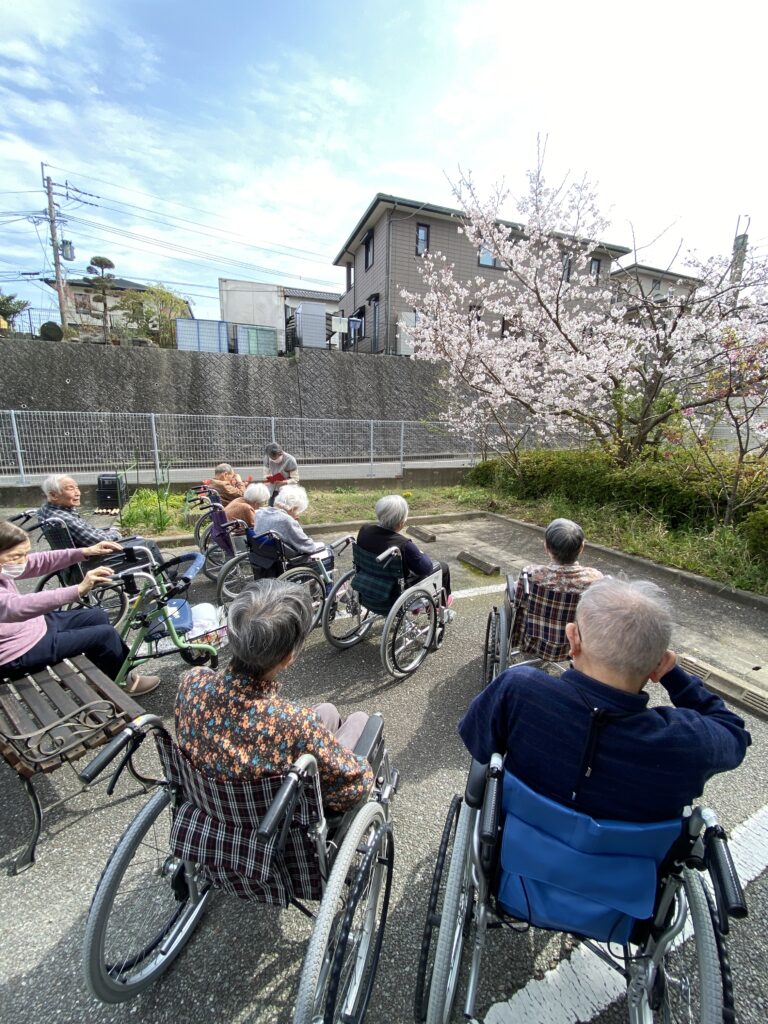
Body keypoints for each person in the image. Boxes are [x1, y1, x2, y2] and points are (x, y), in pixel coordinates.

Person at [459, 577, 751, 823]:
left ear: (573, 640)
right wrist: (675, 677)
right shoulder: (687, 740)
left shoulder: (519, 689)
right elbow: (734, 732)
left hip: (520, 852)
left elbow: (477, 740)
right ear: (658, 665)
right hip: (632, 886)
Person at [175, 579, 372, 811]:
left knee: (327, 711)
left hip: (211, 806)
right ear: (288, 657)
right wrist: (366, 773)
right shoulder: (292, 723)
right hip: (276, 825)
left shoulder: (192, 682)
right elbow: (353, 788)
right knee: (360, 719)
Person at [0, 520, 159, 695]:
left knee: (96, 615)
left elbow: (36, 562)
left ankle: (104, 674)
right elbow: (14, 607)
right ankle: (122, 683)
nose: (23, 561)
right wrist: (78, 589)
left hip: (28, 628)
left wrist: (84, 552)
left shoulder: (5, 565)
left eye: (25, 554)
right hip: (15, 650)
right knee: (104, 635)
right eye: (16, 557)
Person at [38, 473, 165, 567]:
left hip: (75, 561)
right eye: (70, 489)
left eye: (77, 487)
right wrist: (116, 533)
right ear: (53, 495)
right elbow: (98, 541)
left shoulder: (46, 511)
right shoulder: (64, 518)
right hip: (93, 563)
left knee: (137, 542)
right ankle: (166, 584)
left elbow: (87, 534)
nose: (78, 493)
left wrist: (108, 531)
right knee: (148, 546)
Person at [356, 494, 453, 614]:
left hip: (368, 582)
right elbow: (425, 569)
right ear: (402, 522)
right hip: (394, 592)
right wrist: (421, 553)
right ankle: (438, 606)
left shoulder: (364, 530)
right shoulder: (403, 544)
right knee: (443, 567)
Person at [521, 518, 603, 593]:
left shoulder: (530, 574)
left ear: (546, 547)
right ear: (581, 548)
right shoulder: (596, 580)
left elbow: (517, 602)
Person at [251, 485, 327, 559]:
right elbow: (308, 546)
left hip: (264, 555)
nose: (298, 516)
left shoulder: (259, 512)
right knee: (325, 549)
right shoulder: (286, 520)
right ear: (293, 508)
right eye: (298, 512)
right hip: (286, 559)